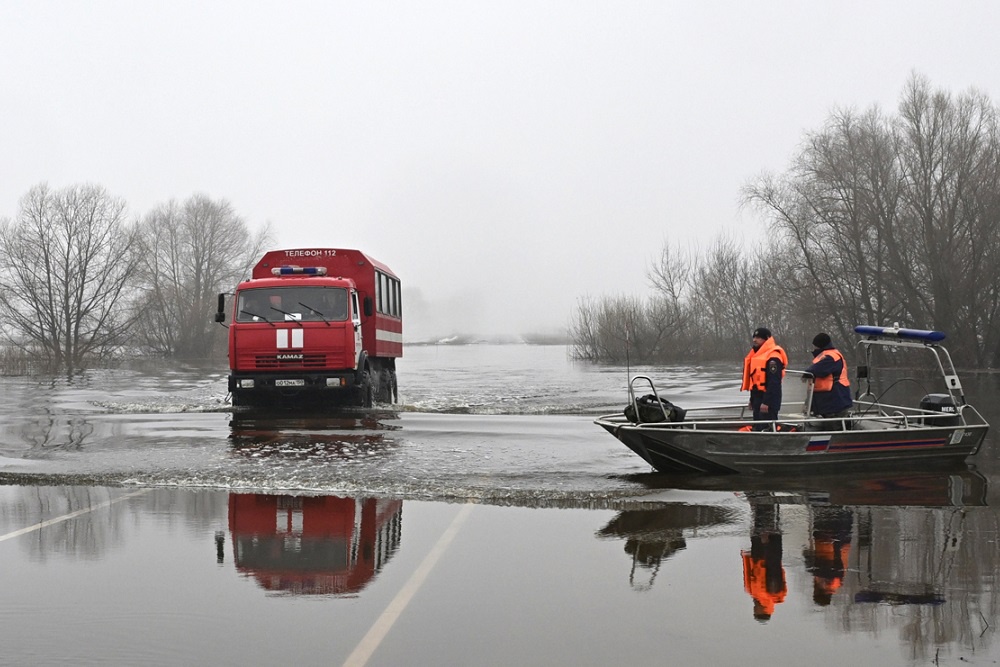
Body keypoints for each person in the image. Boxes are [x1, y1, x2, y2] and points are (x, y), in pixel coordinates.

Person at [741, 327, 787, 428]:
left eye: (758, 338)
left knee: (767, 426)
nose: (754, 340)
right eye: (754, 337)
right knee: (758, 426)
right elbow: (755, 381)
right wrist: (752, 399)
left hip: (768, 400)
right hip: (757, 398)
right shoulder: (757, 355)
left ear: (766, 339)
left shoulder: (773, 357)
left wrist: (767, 402)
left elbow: (774, 382)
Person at [804, 333, 852, 419]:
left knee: (835, 422)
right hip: (829, 399)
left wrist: (806, 373)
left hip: (835, 398)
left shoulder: (831, 357)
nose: (814, 348)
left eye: (815, 346)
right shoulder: (828, 355)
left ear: (819, 345)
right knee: (831, 421)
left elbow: (817, 370)